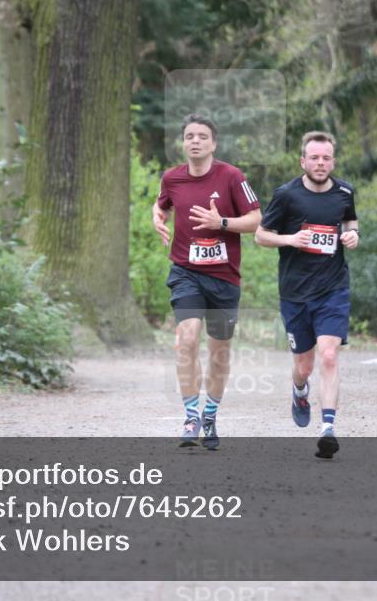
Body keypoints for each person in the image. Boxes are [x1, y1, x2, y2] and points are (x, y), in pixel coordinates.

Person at [152, 114, 261, 450]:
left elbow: (257, 219)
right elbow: (161, 206)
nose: (195, 141)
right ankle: (190, 416)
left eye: (202, 136)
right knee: (186, 339)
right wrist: (157, 217)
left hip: (224, 277)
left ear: (213, 143)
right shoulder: (172, 179)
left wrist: (222, 221)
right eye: (189, 136)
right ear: (183, 143)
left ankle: (210, 413)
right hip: (185, 271)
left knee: (219, 352)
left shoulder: (232, 177)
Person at [254, 131, 359, 459]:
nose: (320, 163)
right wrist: (291, 240)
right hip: (296, 292)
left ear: (333, 161)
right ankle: (300, 391)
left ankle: (328, 428)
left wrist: (353, 234)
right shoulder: (286, 195)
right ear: (303, 161)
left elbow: (350, 221)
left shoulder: (344, 192)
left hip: (333, 288)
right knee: (304, 364)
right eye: (314, 157)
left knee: (328, 355)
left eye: (326, 157)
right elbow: (260, 235)